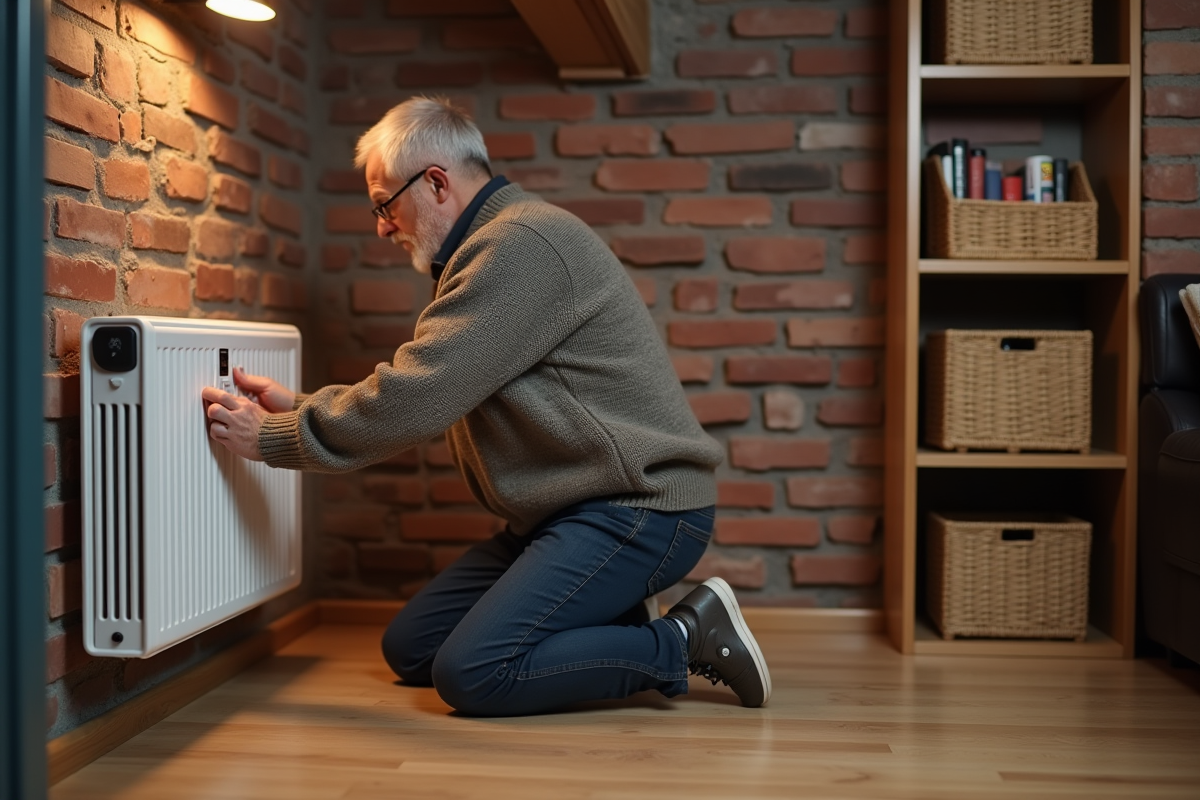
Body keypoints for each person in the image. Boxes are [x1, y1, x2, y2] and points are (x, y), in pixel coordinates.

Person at [201, 96, 771, 716]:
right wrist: (302, 404)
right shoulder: (493, 244)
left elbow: (418, 396)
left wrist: (275, 436)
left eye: (385, 204)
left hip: (639, 508)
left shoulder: (519, 246)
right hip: (568, 512)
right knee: (414, 648)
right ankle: (614, 613)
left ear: (436, 182)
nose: (382, 226)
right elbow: (433, 386)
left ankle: (683, 638)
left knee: (474, 672)